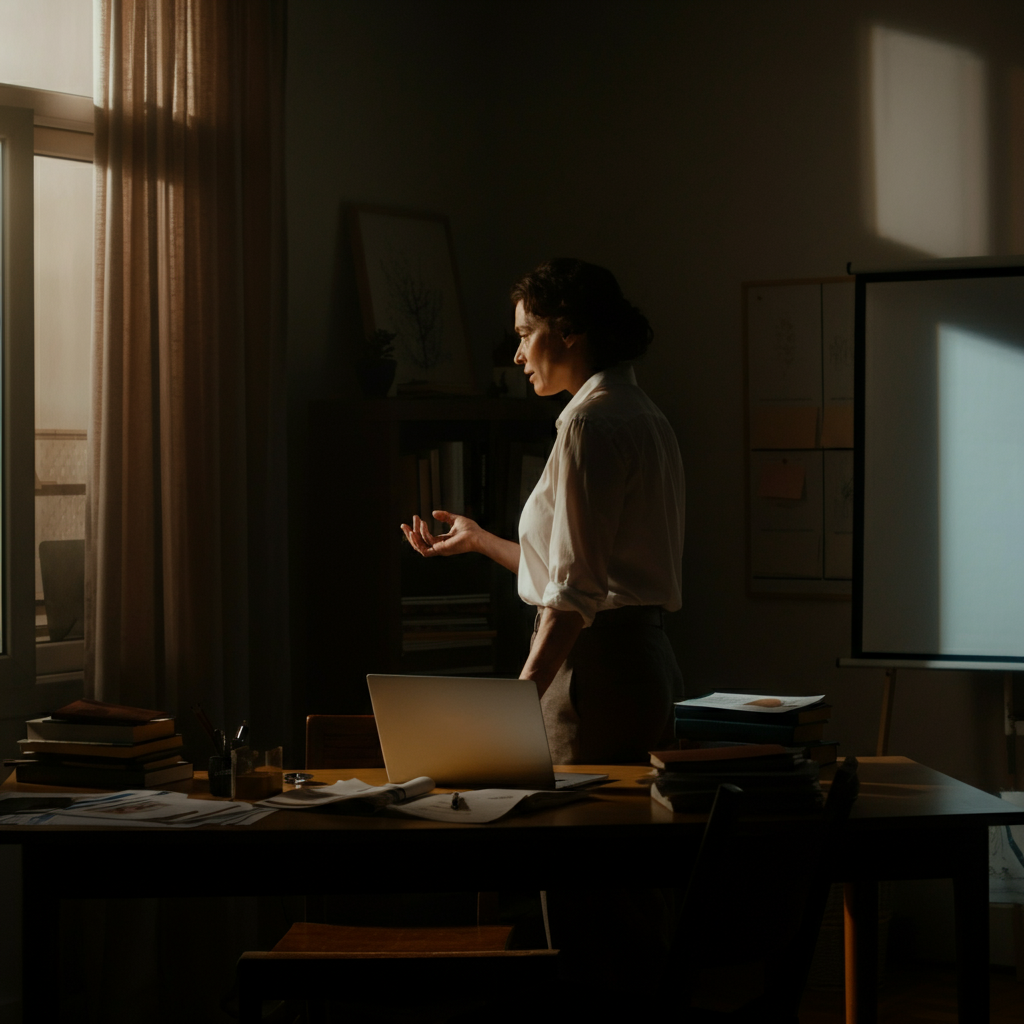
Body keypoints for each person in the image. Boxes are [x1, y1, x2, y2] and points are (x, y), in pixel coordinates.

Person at [401, 258, 685, 765]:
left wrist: (515, 705)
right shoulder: (642, 414)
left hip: (595, 671)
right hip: (643, 662)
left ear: (568, 331)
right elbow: (581, 571)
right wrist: (479, 539)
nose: (516, 354)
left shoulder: (590, 426)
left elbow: (574, 596)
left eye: (525, 334)